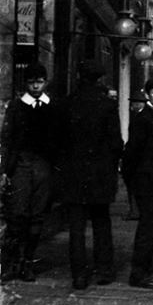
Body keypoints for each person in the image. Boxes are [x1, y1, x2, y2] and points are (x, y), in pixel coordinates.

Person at [55, 60, 123, 289]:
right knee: (101, 223)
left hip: (73, 174)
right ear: (99, 79)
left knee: (76, 226)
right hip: (100, 175)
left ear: (78, 77)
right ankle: (104, 270)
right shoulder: (107, 105)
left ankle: (79, 275)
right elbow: (116, 143)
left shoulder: (66, 104)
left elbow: (59, 143)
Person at [0, 63, 57, 283]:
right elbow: (7, 139)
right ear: (26, 83)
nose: (35, 86)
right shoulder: (16, 107)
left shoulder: (52, 107)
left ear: (45, 82)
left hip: (44, 167)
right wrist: (5, 170)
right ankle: (10, 263)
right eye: (32, 82)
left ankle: (27, 262)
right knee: (17, 214)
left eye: (39, 81)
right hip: (22, 165)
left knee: (37, 215)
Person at [121, 78, 153, 289]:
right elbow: (132, 153)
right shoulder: (144, 119)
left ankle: (146, 270)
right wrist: (132, 181)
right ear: (147, 95)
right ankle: (139, 274)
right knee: (148, 229)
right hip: (146, 182)